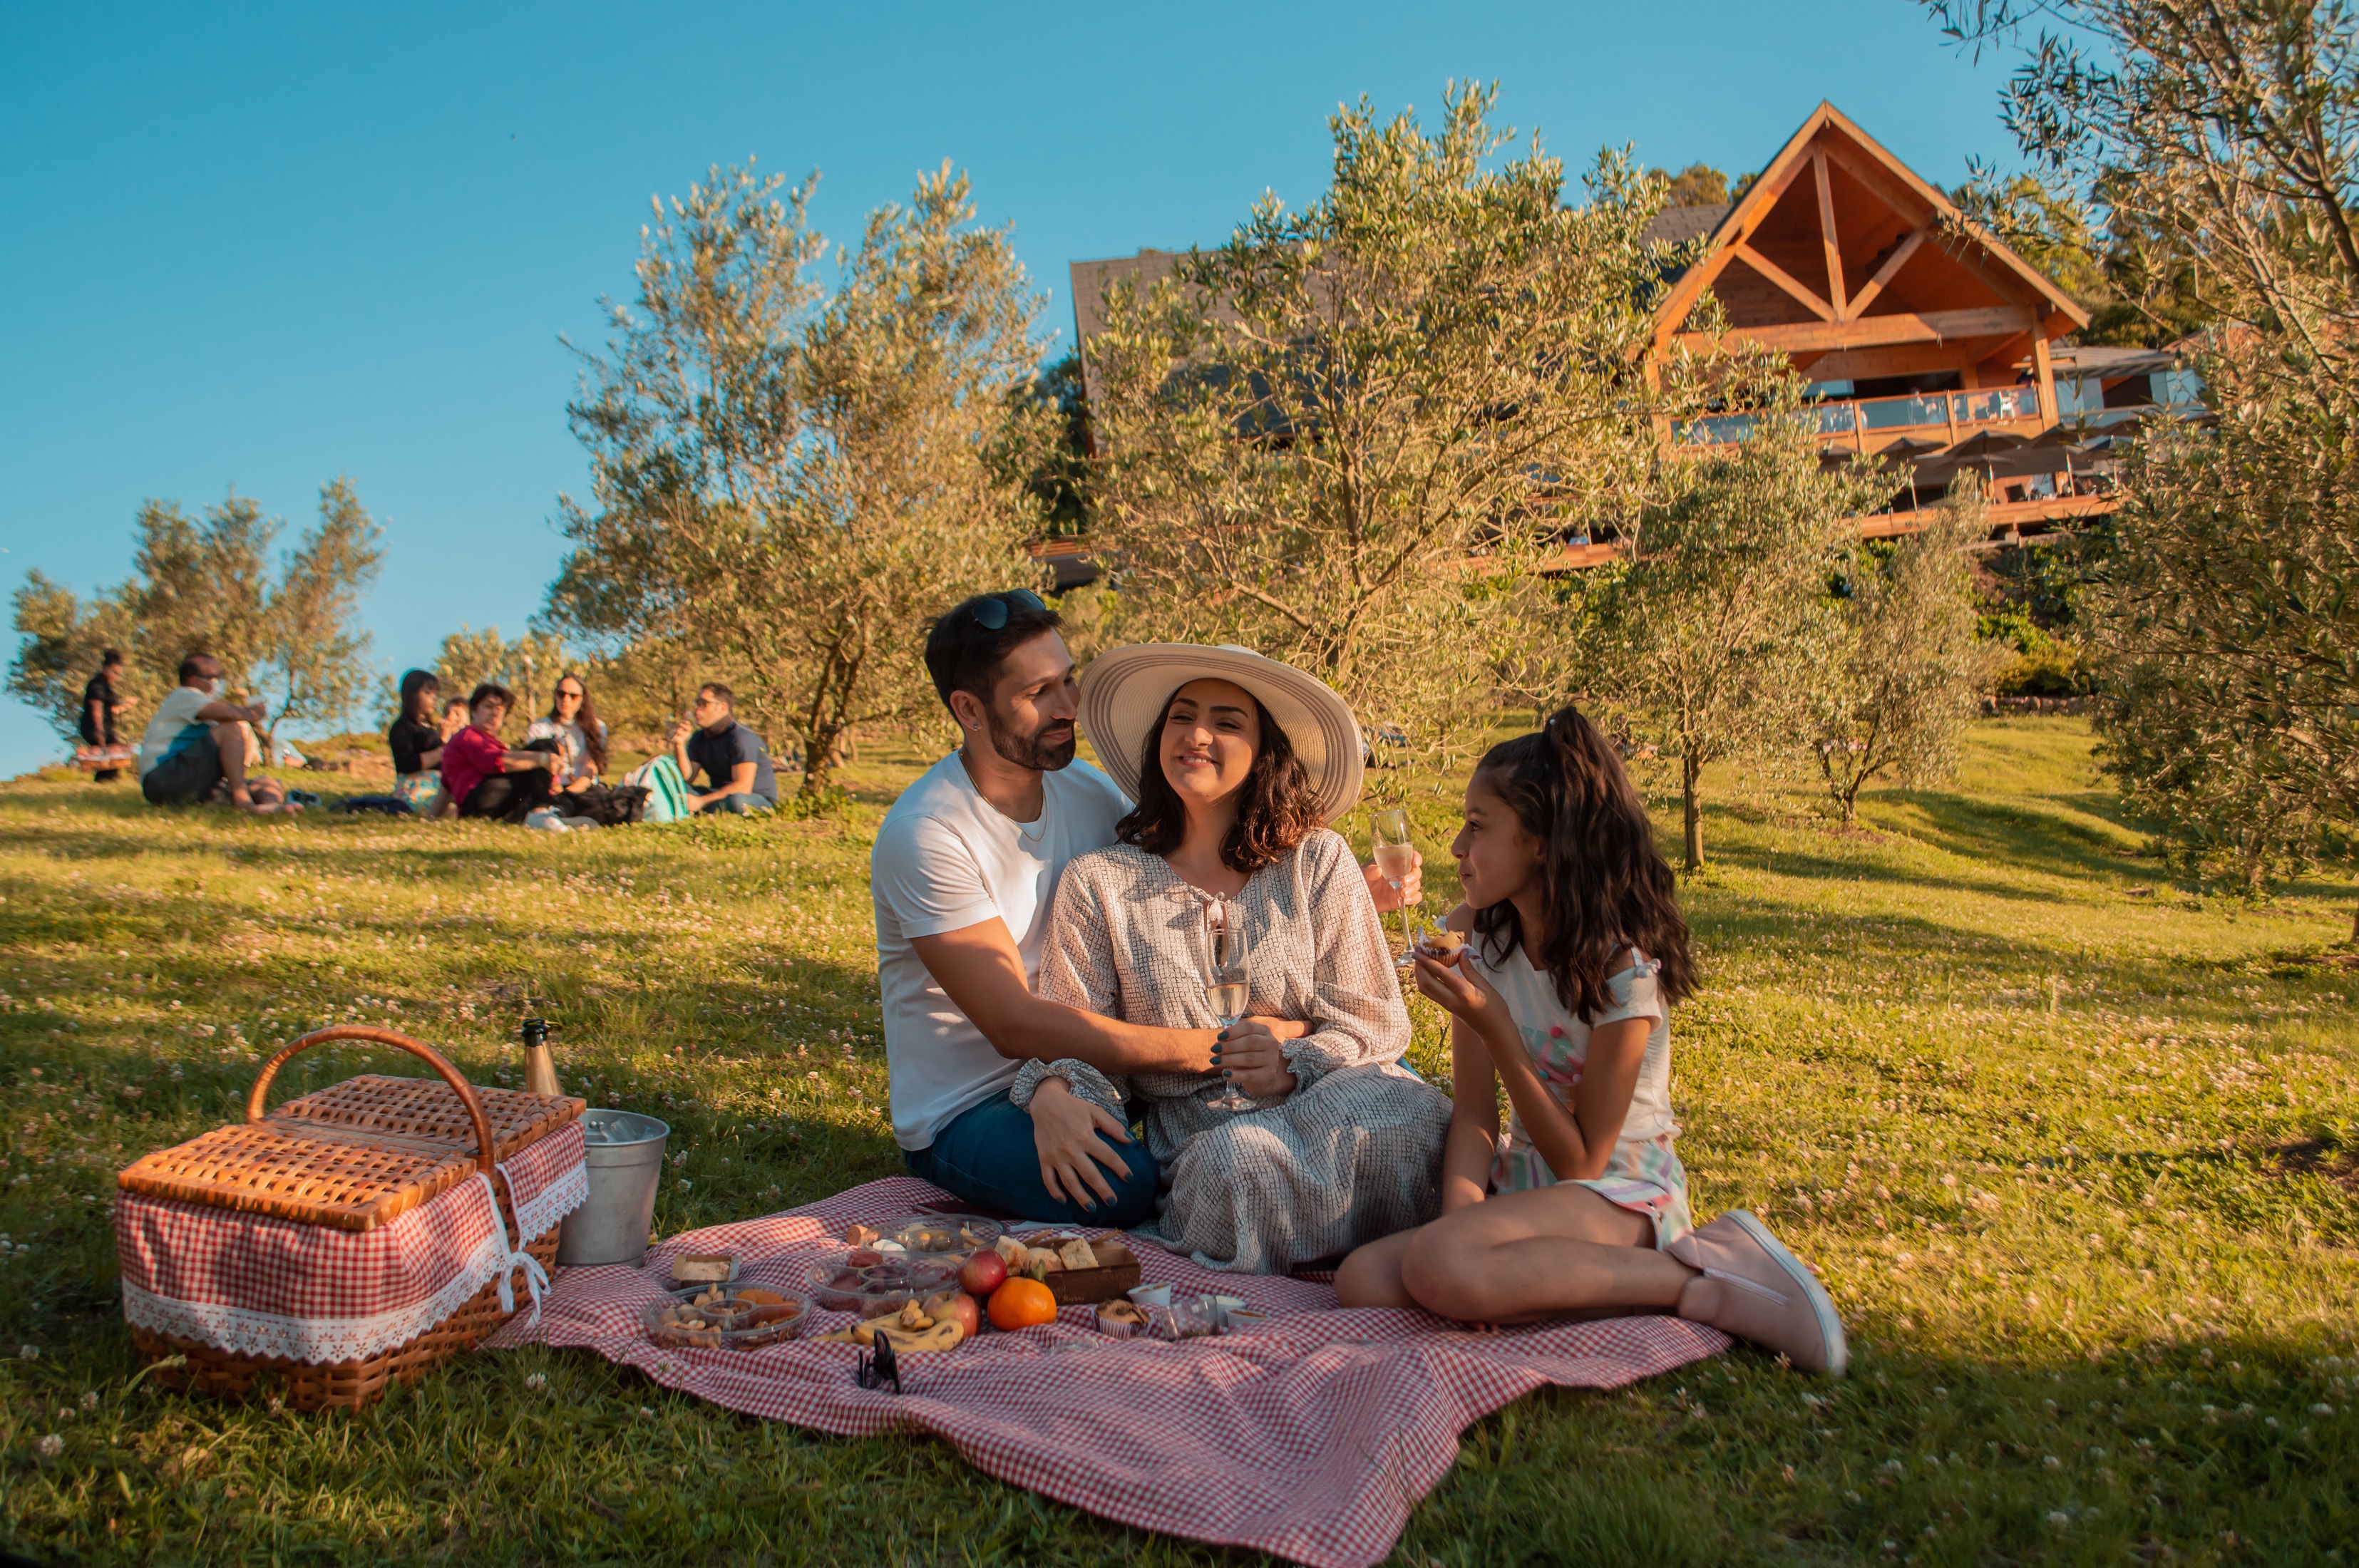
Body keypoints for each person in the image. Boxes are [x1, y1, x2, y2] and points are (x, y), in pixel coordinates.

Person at [870, 591, 1419, 1228]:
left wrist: (1333, 905)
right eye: (1038, 692)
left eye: (1068, 681)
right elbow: (1016, 1026)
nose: (1068, 706)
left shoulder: (1088, 792)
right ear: (968, 709)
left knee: (1394, 1088)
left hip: (1119, 1061)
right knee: (1123, 1188)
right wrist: (1218, 1051)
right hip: (980, 1095)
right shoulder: (928, 831)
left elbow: (1191, 865)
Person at [1333, 706, 1847, 1374]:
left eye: (1478, 826)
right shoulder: (1475, 936)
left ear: (1543, 842)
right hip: (1525, 1186)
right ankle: (1541, 1281)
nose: (1457, 846)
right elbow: (1475, 1113)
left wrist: (1495, 1027)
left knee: (1441, 1266)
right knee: (1364, 1280)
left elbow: (1584, 1161)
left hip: (1621, 1191)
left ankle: (1704, 1276)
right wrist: (1456, 1225)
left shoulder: (1621, 971)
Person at [1026, 645, 1451, 1274]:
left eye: (1227, 723)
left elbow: (1375, 1024)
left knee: (1419, 1121)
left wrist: (1292, 1063)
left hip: (1335, 1096)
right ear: (1157, 738)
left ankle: (1364, 1254)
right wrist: (1052, 1091)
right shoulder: (1101, 882)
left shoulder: (1317, 860)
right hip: (1209, 1128)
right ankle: (1369, 1251)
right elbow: (1077, 1032)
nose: (1197, 735)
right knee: (1235, 1171)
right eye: (1182, 717)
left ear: (1264, 752)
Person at [136, 654, 296, 814]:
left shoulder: (198, 708)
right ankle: (242, 800)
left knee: (269, 783)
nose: (218, 682)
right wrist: (251, 714)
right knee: (232, 728)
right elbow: (224, 712)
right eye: (213, 677)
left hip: (188, 780)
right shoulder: (184, 695)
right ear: (193, 679)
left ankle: (271, 807)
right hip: (164, 777)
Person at [440, 683, 565, 822]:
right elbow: (489, 761)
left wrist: (430, 816)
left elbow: (445, 786)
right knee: (544, 745)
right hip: (479, 801)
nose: (494, 713)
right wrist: (543, 759)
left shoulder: (495, 744)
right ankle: (541, 810)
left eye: (500, 710)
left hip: (496, 805)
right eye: (488, 706)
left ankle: (547, 814)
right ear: (474, 711)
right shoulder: (468, 735)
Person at [665, 685, 777, 815]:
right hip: (718, 794)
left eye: (703, 704)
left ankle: (700, 809)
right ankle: (705, 809)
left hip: (754, 798)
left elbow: (743, 787)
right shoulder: (699, 738)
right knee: (675, 789)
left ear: (722, 707)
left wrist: (702, 801)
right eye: (697, 703)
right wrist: (679, 745)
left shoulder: (741, 737)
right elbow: (686, 778)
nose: (697, 708)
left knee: (737, 801)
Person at [525, 673, 608, 799]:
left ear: (583, 699)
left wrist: (569, 794)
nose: (566, 700)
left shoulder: (597, 728)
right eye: (561, 694)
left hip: (584, 788)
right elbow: (538, 768)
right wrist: (558, 791)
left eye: (573, 696)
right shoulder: (539, 728)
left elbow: (590, 769)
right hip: (550, 788)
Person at [387, 669, 448, 815]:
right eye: (428, 693)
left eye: (435, 694)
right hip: (415, 791)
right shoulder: (402, 727)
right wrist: (443, 751)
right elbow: (407, 763)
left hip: (437, 788)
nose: (434, 699)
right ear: (412, 694)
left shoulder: (429, 729)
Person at [79, 649, 133, 781]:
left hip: (106, 726)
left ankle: (104, 784)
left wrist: (127, 705)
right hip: (96, 727)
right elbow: (95, 708)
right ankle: (103, 784)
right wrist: (99, 731)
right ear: (105, 668)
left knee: (112, 759)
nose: (116, 676)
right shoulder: (97, 685)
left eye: (119, 674)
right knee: (112, 757)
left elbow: (111, 710)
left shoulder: (107, 687)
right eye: (114, 672)